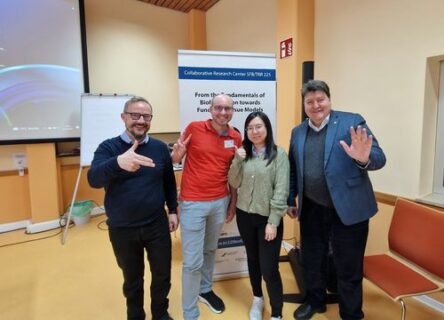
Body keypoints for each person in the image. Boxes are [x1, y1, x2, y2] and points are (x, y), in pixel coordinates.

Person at [287, 80, 386, 320]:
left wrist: (363, 159)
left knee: (348, 267)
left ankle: (351, 314)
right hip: (311, 208)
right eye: (309, 101)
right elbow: (293, 168)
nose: (315, 105)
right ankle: (315, 301)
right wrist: (291, 198)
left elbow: (379, 157)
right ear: (304, 105)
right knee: (312, 259)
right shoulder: (298, 132)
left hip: (348, 208)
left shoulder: (351, 121)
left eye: (320, 99)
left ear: (329, 100)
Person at [87, 96, 178, 320]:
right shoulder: (108, 148)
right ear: (123, 117)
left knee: (162, 275)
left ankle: (160, 313)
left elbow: (168, 181)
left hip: (156, 224)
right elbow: (93, 179)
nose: (140, 120)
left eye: (146, 116)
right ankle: (135, 315)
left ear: (150, 120)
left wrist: (173, 210)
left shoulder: (158, 148)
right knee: (133, 279)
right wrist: (118, 162)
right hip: (123, 228)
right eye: (134, 115)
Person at [171, 94, 242, 320]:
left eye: (227, 109)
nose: (223, 112)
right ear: (210, 109)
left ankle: (205, 289)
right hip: (192, 203)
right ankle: (190, 313)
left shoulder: (235, 136)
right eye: (218, 108)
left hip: (220, 202)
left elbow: (234, 174)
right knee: (192, 263)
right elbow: (175, 158)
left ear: (232, 111)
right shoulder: (194, 128)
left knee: (210, 250)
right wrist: (177, 155)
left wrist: (233, 202)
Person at [228, 111, 289, 320]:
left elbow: (281, 191)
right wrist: (236, 160)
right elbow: (234, 183)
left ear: (267, 129)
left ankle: (277, 313)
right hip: (245, 216)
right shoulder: (243, 153)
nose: (254, 131)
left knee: (269, 268)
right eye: (250, 128)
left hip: (268, 220)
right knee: (252, 260)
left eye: (258, 127)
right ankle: (257, 298)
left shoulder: (279, 155)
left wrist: (273, 222)